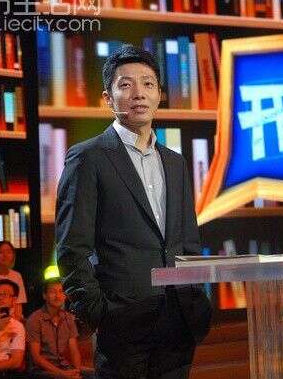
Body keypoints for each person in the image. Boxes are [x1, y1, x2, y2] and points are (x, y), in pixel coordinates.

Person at [56, 44, 212, 379]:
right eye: (125, 85)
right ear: (108, 98)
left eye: (148, 84)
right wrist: (98, 313)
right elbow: (71, 248)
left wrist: (196, 300)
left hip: (178, 321)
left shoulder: (176, 162)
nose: (138, 93)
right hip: (123, 324)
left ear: (160, 95)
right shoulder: (88, 158)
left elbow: (188, 242)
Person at [26, 279, 93, 379]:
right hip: (42, 371)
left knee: (97, 373)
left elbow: (74, 351)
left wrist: (77, 371)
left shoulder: (68, 318)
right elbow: (36, 357)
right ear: (44, 295)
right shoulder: (35, 319)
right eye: (53, 292)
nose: (58, 296)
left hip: (64, 367)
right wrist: (62, 374)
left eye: (60, 291)